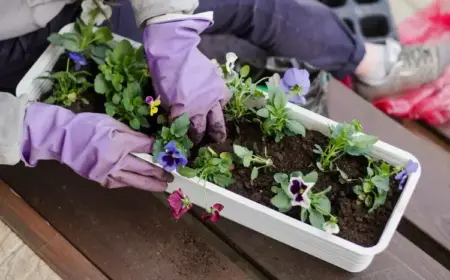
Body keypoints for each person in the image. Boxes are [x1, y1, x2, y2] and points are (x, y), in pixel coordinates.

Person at [0, 0, 448, 192]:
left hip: (72, 13)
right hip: (15, 73)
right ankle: (289, 96)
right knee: (142, 163)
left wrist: (168, 20)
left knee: (257, 7)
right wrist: (35, 130)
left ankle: (375, 65)